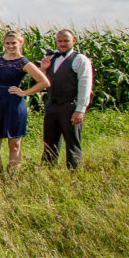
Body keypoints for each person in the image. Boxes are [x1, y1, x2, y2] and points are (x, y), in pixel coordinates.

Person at [0, 31, 50, 174]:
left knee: (14, 144)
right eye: (7, 43)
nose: (10, 46)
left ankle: (13, 178)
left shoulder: (23, 62)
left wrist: (24, 93)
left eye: (14, 43)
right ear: (4, 44)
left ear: (21, 43)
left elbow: (44, 82)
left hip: (13, 105)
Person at [40, 29, 93, 170]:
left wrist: (80, 109)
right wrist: (44, 69)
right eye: (60, 41)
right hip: (52, 105)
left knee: (72, 142)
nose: (62, 44)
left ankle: (73, 174)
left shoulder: (80, 60)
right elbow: (43, 83)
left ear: (73, 41)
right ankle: (46, 172)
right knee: (49, 142)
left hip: (70, 106)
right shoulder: (52, 59)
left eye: (66, 41)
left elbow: (85, 85)